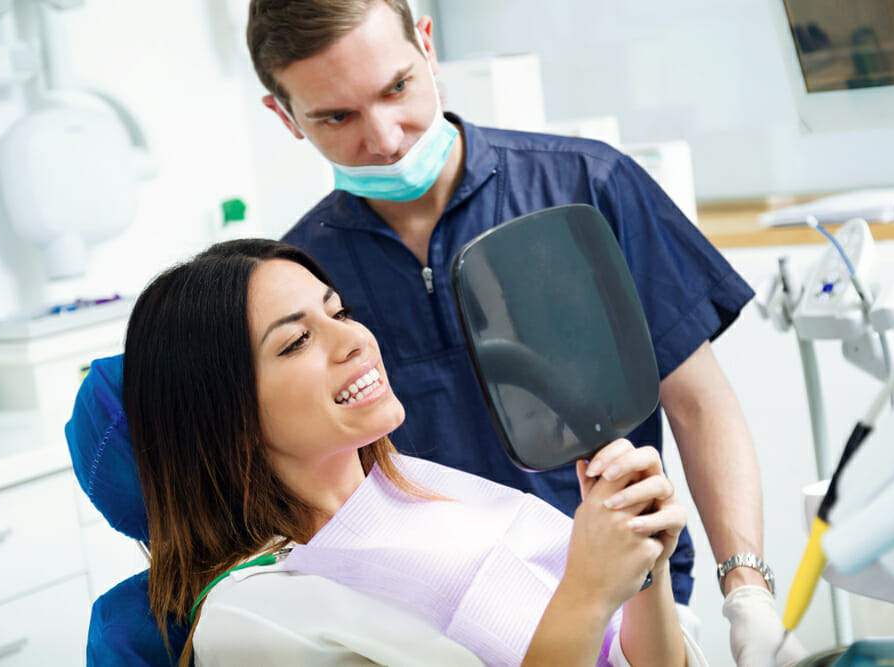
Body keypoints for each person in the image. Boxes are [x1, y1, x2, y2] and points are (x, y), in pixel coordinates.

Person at [245, 1, 806, 665]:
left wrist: (746, 590)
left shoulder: (586, 187)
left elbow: (698, 401)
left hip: (637, 604)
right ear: (284, 116)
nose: (387, 137)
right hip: (446, 630)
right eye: (336, 117)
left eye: (397, 88)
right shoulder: (304, 287)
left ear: (426, 45)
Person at [123, 238, 706, 666]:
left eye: (339, 312)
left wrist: (642, 568)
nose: (355, 339)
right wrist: (589, 588)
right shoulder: (252, 618)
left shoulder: (425, 490)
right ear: (225, 414)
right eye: (298, 340)